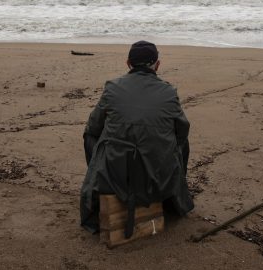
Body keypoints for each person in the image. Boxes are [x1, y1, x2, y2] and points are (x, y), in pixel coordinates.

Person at [79, 40, 193, 235]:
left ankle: (101, 186)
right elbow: (182, 133)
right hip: (159, 179)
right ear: (157, 64)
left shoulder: (112, 88)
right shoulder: (169, 92)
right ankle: (173, 194)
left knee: (90, 135)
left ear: (128, 63)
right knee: (181, 142)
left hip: (114, 178)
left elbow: (94, 127)